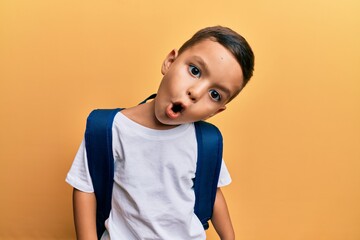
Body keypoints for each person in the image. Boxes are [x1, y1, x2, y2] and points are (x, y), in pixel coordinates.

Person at [66, 25, 254, 240]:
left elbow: (213, 193)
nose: (195, 92)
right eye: (194, 71)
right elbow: (84, 188)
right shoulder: (110, 129)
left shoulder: (204, 142)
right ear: (170, 62)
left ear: (215, 112)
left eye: (214, 94)